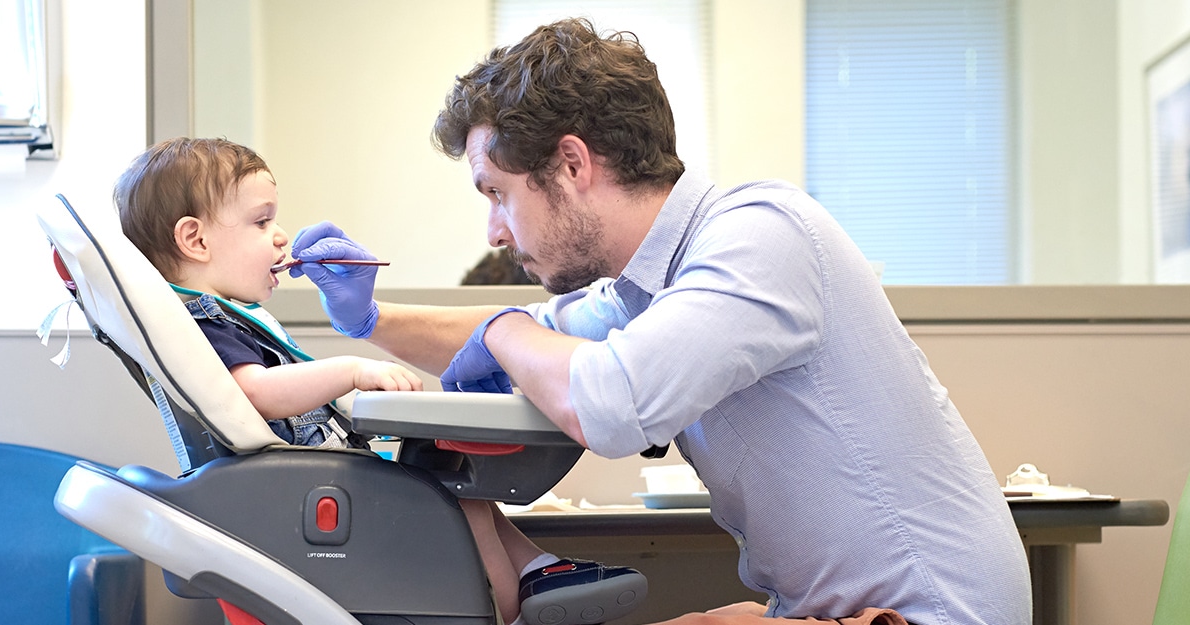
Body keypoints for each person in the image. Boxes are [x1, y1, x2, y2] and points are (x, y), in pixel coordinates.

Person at [289, 18, 1032, 625]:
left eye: (498, 193)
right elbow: (537, 330)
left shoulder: (758, 235)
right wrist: (369, 316)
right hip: (827, 610)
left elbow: (608, 401)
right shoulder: (652, 283)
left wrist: (503, 333)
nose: (494, 230)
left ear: (572, 165)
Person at [113, 137, 647, 625]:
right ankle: (516, 606)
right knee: (445, 478)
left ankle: (534, 573)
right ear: (195, 240)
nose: (279, 236)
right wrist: (350, 370)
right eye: (260, 222)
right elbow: (254, 393)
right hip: (296, 492)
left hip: (297, 482)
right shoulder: (206, 319)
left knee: (447, 468)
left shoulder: (220, 317)